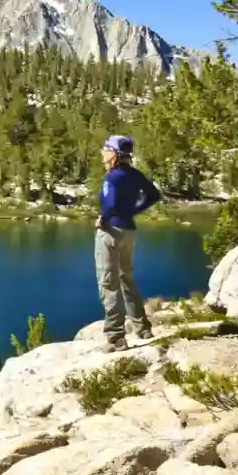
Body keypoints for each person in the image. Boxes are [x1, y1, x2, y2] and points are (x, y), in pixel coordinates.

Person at [96, 134, 161, 352]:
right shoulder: (134, 175)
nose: (102, 153)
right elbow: (153, 195)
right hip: (128, 231)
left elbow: (111, 203)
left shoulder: (111, 178)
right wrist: (133, 211)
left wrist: (103, 218)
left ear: (114, 154)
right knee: (127, 278)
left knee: (108, 283)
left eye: (105, 149)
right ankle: (142, 328)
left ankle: (116, 337)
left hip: (111, 232)